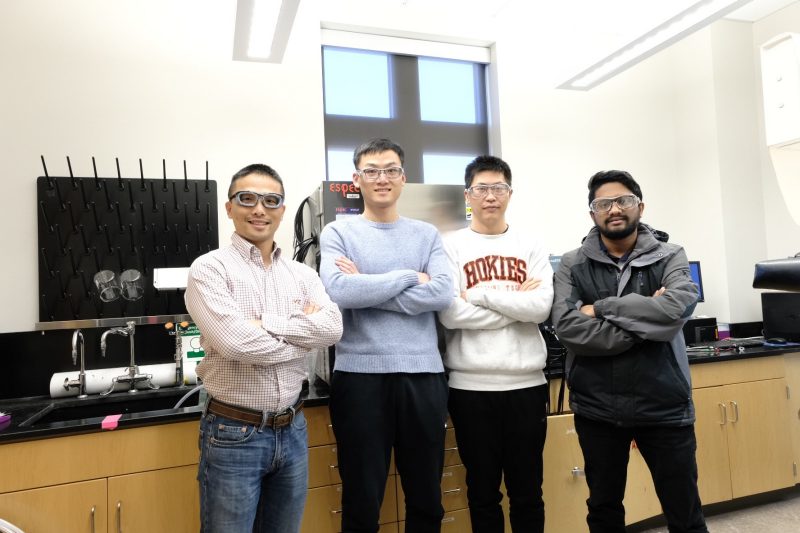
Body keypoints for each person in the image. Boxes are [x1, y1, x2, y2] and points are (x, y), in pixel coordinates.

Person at [185, 163, 343, 533]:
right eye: (248, 198)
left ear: (282, 210)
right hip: (232, 434)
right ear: (229, 207)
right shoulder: (209, 270)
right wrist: (303, 336)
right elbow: (239, 344)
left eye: (271, 200)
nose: (260, 209)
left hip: (293, 429)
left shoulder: (302, 274)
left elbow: (334, 328)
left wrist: (265, 325)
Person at [551, 170, 708, 533]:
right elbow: (568, 328)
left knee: (684, 511)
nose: (614, 209)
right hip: (598, 406)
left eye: (622, 200)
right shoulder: (573, 263)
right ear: (593, 213)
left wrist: (603, 307)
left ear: (640, 205)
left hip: (664, 404)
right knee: (603, 509)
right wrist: (646, 328)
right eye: (603, 204)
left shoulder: (670, 254)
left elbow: (675, 310)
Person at [319, 138, 453, 533]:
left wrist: (368, 285)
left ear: (403, 178)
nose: (382, 178)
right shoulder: (337, 233)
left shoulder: (426, 234)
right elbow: (340, 291)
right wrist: (410, 277)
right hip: (360, 378)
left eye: (391, 170)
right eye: (372, 171)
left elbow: (442, 293)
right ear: (356, 179)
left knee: (427, 495)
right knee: (362, 498)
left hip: (424, 376)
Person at [438, 155, 553, 533]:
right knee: (482, 492)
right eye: (482, 189)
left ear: (509, 193)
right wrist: (513, 303)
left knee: (527, 492)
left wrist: (480, 295)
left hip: (527, 386)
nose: (491, 196)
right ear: (468, 194)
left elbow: (539, 308)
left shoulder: (531, 244)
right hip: (471, 388)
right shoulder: (448, 246)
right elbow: (450, 315)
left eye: (498, 188)